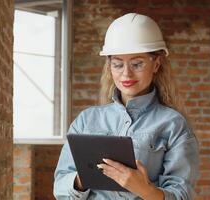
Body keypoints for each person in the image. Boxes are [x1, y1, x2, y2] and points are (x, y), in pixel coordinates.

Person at [53, 13, 199, 200]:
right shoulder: (86, 120)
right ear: (109, 66)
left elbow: (182, 195)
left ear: (156, 64)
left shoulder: (174, 124)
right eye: (117, 64)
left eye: (137, 64)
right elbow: (60, 189)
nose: (126, 74)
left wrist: (143, 189)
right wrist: (83, 178)